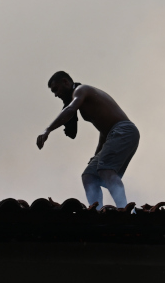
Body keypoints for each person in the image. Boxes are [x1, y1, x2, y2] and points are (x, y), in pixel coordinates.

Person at [36, 71, 140, 209]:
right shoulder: (84, 101)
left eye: (56, 89)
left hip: (124, 131)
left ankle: (125, 209)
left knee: (106, 169)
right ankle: (96, 210)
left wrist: (47, 129)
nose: (56, 94)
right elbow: (104, 132)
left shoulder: (81, 90)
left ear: (65, 82)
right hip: (114, 134)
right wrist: (96, 154)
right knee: (89, 175)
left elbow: (70, 109)